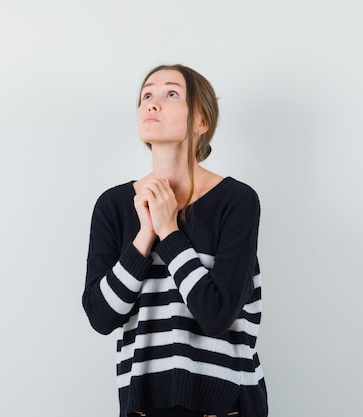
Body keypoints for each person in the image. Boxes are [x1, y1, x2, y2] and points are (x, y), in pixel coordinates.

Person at [82, 64, 268, 417]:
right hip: (144, 405)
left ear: (201, 122)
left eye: (171, 94)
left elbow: (216, 314)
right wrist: (144, 235)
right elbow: (101, 316)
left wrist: (169, 231)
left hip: (227, 405)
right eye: (147, 95)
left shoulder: (237, 201)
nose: (153, 104)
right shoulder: (114, 206)